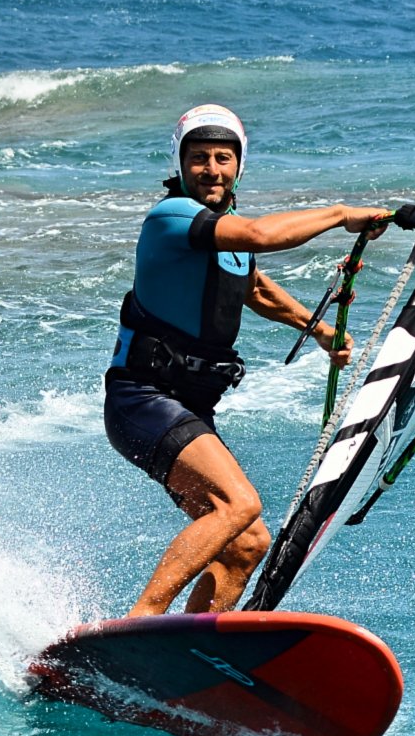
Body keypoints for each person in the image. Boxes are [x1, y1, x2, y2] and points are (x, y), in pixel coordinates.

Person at [104, 104, 390, 616]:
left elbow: (254, 288)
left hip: (187, 405)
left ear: (238, 165)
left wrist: (319, 329)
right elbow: (261, 236)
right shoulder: (172, 217)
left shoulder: (224, 230)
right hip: (141, 400)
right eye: (198, 158)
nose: (211, 169)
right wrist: (341, 215)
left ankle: (181, 646)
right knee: (240, 505)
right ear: (180, 163)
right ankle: (140, 619)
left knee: (247, 542)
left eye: (222, 157)